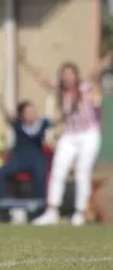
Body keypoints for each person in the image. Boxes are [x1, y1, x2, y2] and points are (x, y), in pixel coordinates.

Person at [21, 51, 109, 226]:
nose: (67, 77)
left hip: (89, 133)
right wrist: (25, 62)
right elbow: (42, 79)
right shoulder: (61, 93)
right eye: (64, 74)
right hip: (70, 134)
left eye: (70, 73)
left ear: (75, 75)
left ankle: (80, 212)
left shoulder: (84, 87)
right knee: (57, 170)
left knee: (82, 171)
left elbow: (96, 71)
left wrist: (108, 56)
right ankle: (52, 210)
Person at [0, 96, 50, 224]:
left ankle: (39, 210)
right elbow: (8, 117)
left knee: (41, 174)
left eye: (33, 111)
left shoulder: (42, 124)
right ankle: (5, 205)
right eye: (28, 112)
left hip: (36, 158)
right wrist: (1, 104)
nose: (31, 114)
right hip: (19, 158)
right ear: (22, 115)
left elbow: (59, 120)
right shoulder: (18, 125)